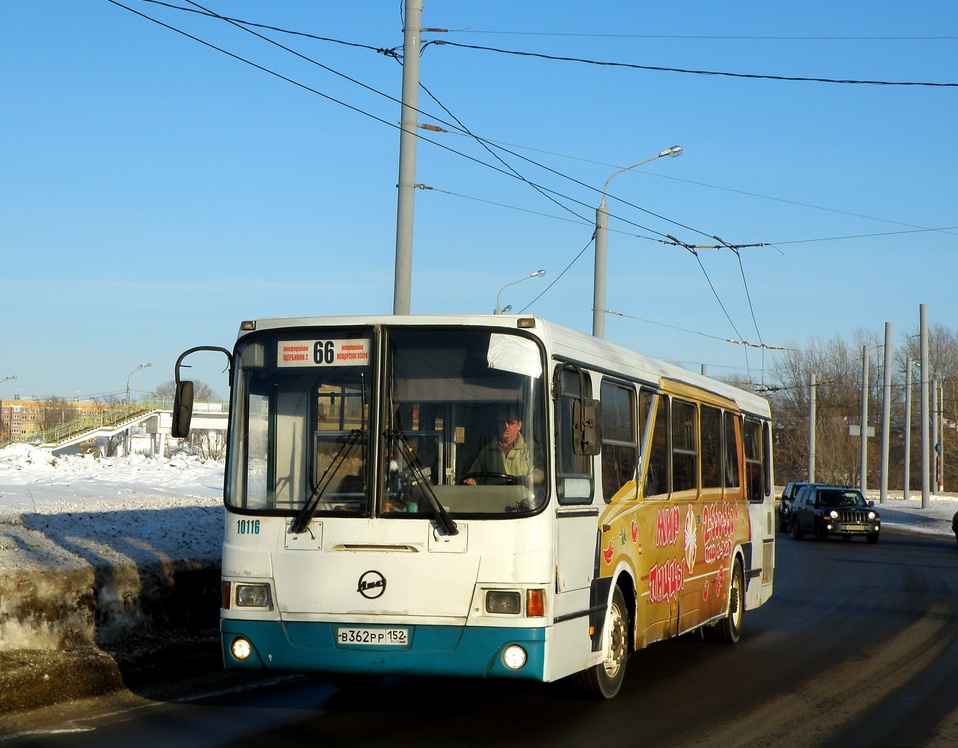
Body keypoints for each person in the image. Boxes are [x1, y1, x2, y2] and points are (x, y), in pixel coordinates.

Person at [463, 407, 542, 485]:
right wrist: (472, 481)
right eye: (501, 422)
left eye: (510, 422)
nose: (505, 426)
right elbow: (476, 476)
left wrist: (529, 479)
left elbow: (541, 470)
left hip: (522, 496)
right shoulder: (488, 451)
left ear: (519, 425)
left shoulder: (530, 448)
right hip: (495, 496)